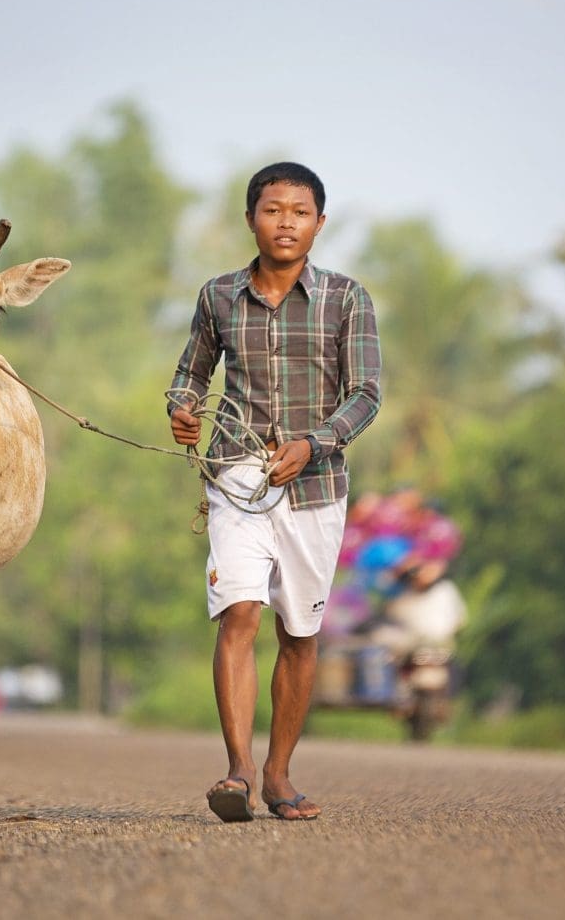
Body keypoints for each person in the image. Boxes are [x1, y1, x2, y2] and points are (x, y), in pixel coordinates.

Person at [168, 162, 382, 822]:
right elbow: (190, 374)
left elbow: (367, 394)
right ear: (250, 218)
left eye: (299, 211)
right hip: (238, 476)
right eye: (271, 209)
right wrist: (182, 409)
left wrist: (314, 444)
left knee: (300, 632)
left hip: (317, 488)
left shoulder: (348, 299)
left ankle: (279, 771)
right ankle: (236, 772)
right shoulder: (218, 297)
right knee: (239, 614)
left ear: (320, 223)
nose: (284, 222)